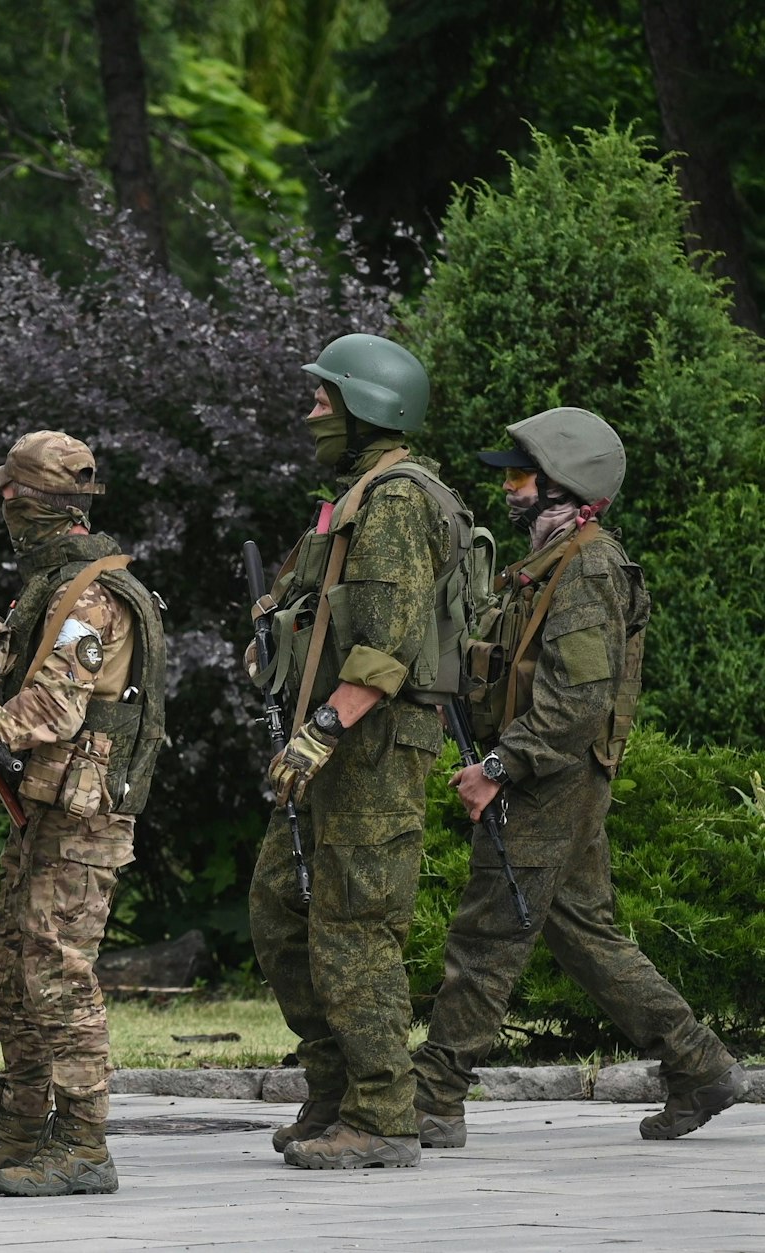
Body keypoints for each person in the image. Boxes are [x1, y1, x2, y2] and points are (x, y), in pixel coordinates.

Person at [412, 407, 746, 1147]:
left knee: (487, 934)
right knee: (583, 934)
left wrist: (500, 766)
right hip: (550, 774)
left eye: (522, 475)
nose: (509, 487)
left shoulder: (589, 566)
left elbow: (574, 701)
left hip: (547, 778)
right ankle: (699, 1064)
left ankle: (433, 1097)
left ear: (565, 485)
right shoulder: (549, 562)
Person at [0, 431, 166, 1198]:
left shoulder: (93, 595)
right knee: (4, 974)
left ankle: (85, 1141)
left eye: (8, 494)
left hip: (85, 820)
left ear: (27, 503)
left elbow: (56, 707)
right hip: (46, 811)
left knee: (56, 973)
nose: (2, 507)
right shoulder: (55, 583)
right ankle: (23, 1127)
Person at [247, 333, 459, 1170]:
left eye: (324, 399)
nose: (311, 414)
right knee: (279, 911)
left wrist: (325, 727)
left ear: (370, 407)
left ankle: (383, 1114)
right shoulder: (358, 498)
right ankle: (334, 1088)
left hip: (368, 745)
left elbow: (390, 647)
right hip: (332, 749)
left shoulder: (401, 501)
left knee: (355, 925)